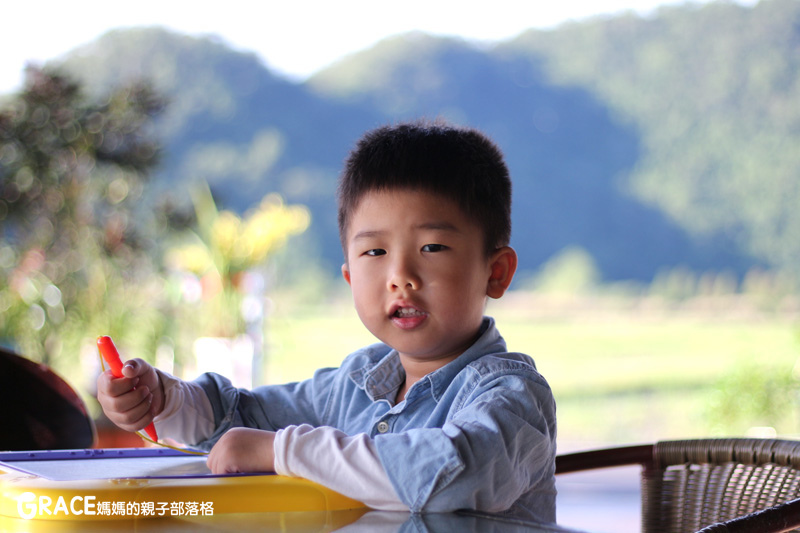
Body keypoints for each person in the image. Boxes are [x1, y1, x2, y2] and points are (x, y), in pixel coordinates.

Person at [96, 119, 557, 523]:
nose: (400, 277)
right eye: (374, 252)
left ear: (495, 273)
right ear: (349, 275)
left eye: (432, 247)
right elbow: (241, 417)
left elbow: (452, 472)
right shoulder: (355, 383)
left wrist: (283, 452)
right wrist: (163, 400)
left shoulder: (512, 396)